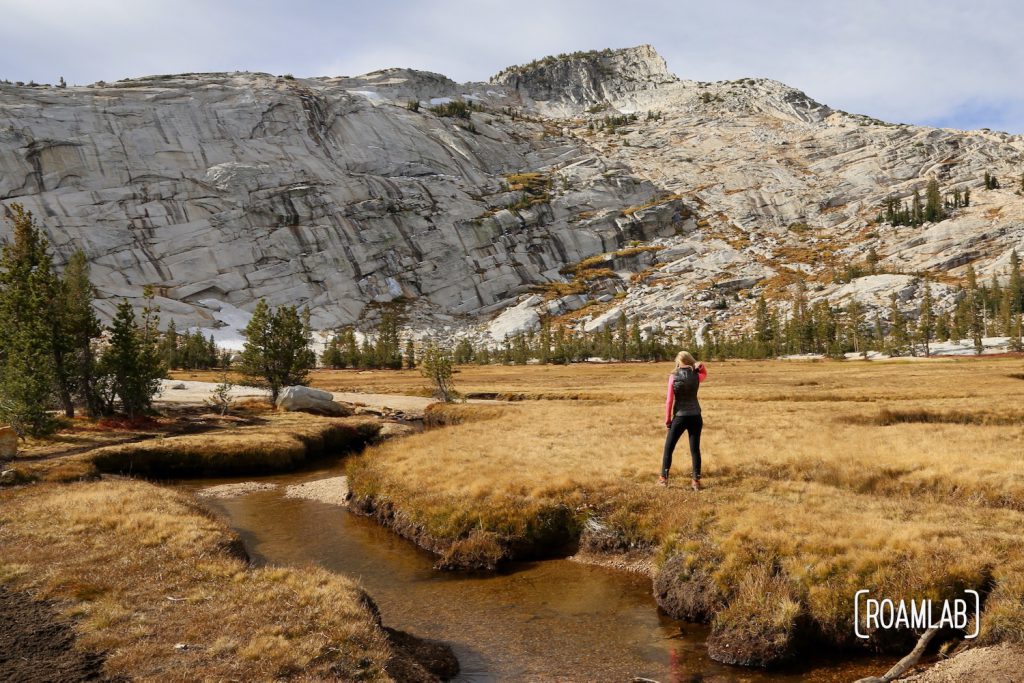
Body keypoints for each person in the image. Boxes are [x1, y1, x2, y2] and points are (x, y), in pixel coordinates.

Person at [660, 351, 707, 490]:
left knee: (669, 447)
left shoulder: (673, 377)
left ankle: (663, 478)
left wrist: (668, 419)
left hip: (680, 416)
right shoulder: (697, 376)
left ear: (679, 362)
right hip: (696, 416)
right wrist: (701, 366)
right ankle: (695, 481)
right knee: (695, 449)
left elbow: (669, 401)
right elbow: (705, 374)